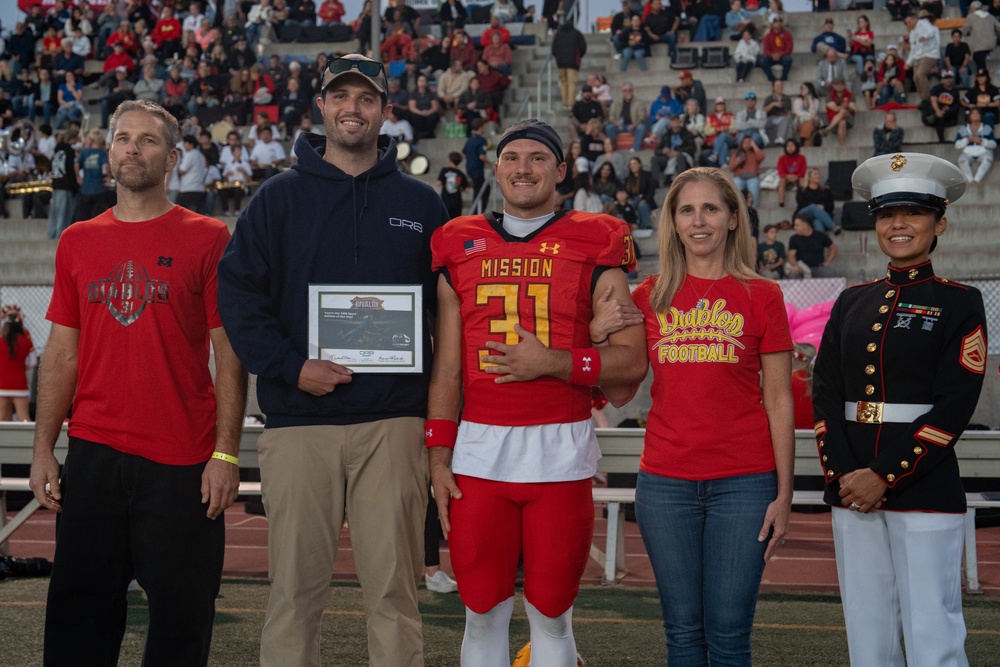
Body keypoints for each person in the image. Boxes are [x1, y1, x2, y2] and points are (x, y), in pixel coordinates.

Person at [216, 54, 450, 667]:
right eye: (341, 96)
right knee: (293, 596)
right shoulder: (276, 199)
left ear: (386, 111)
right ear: (321, 106)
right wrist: (292, 367)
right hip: (299, 424)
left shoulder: (422, 203)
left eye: (366, 98)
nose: (353, 108)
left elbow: (452, 314)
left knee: (395, 595)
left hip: (394, 425)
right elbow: (237, 300)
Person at [28, 99, 247, 666]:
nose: (132, 149)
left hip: (182, 458)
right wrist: (43, 448)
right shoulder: (77, 239)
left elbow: (229, 352)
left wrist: (226, 453)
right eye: (123, 138)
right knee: (79, 617)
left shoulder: (208, 236)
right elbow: (62, 354)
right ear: (108, 152)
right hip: (94, 454)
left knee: (181, 619)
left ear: (172, 158)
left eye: (148, 140)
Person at [427, 118, 647, 667]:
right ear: (495, 167)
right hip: (478, 453)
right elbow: (447, 369)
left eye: (538, 158)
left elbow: (631, 364)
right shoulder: (457, 240)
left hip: (561, 452)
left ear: (561, 170)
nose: (523, 168)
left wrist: (553, 361)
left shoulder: (598, 238)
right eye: (512, 158)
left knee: (551, 613)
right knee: (482, 611)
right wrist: (437, 453)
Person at [812, 152, 987, 667]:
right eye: (887, 214)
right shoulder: (851, 301)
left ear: (940, 224)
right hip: (852, 487)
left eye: (914, 213)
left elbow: (954, 406)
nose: (898, 224)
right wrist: (846, 476)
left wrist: (884, 475)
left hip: (922, 484)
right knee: (868, 635)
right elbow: (825, 393)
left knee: (932, 631)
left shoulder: (960, 302)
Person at [626, 167, 792, 665]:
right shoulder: (647, 296)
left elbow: (779, 399)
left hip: (745, 484)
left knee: (729, 635)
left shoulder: (763, 295)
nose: (698, 221)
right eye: (687, 210)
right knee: (682, 632)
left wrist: (785, 494)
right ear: (673, 223)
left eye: (711, 209)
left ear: (733, 219)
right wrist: (597, 331)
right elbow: (617, 390)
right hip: (665, 484)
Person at [0, 304, 36, 422]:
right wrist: (20, 367)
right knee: (23, 418)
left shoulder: (0, 339)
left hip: (2, 383)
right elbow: (33, 361)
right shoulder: (26, 338)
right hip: (19, 383)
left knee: (2, 419)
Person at [904, 11, 941, 101]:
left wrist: (925, 36)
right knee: (915, 78)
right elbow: (913, 49)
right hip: (918, 56)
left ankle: (926, 96)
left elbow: (931, 32)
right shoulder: (912, 33)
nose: (908, 24)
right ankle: (923, 97)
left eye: (909, 22)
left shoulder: (924, 23)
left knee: (921, 73)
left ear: (914, 19)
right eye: (907, 23)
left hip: (929, 54)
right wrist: (908, 62)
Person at [786, 213, 837, 278]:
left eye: (797, 225)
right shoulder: (794, 239)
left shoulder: (820, 236)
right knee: (793, 275)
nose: (795, 228)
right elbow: (791, 256)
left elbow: (833, 248)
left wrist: (828, 261)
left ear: (805, 225)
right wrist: (795, 265)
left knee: (830, 273)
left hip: (818, 267)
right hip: (802, 268)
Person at [551, 19, 587, 109]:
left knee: (563, 83)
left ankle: (565, 103)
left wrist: (558, 57)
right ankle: (570, 103)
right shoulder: (577, 33)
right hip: (573, 62)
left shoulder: (558, 34)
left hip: (560, 63)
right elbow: (583, 47)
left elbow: (554, 49)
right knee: (572, 83)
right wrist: (579, 56)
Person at [955, 107, 997, 183]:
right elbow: (957, 145)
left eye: (977, 113)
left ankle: (977, 180)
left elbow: (994, 144)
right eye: (973, 114)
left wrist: (981, 141)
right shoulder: (963, 128)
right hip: (967, 152)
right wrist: (967, 139)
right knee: (962, 160)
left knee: (988, 159)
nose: (975, 115)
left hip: (984, 151)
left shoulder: (986, 128)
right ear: (969, 116)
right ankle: (970, 180)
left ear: (980, 116)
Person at [605, 82, 648, 151]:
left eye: (630, 90)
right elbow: (611, 116)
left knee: (641, 128)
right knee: (609, 128)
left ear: (633, 91)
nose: (628, 92)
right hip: (620, 126)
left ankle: (635, 147)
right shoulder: (616, 102)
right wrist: (615, 122)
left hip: (633, 126)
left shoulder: (639, 102)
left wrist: (634, 125)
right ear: (622, 92)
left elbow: (642, 116)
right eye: (625, 90)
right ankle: (613, 147)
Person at [922, 69, 962, 143]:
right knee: (935, 110)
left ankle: (934, 117)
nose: (948, 80)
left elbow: (955, 104)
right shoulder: (936, 88)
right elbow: (933, 100)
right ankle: (941, 139)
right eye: (945, 78)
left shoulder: (955, 91)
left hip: (947, 112)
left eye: (950, 78)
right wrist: (938, 111)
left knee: (955, 108)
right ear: (942, 80)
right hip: (937, 111)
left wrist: (948, 108)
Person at [729, 134, 765, 205]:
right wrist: (738, 161)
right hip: (739, 177)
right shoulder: (737, 154)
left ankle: (753, 209)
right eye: (745, 143)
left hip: (752, 177)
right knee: (736, 186)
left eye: (749, 142)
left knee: (753, 185)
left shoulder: (754, 153)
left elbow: (761, 157)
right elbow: (731, 168)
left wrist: (754, 145)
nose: (746, 144)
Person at [757, 17, 793, 82]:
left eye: (780, 21)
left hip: (782, 56)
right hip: (771, 57)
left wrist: (780, 54)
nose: (778, 23)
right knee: (762, 61)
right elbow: (766, 50)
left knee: (788, 59)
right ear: (772, 24)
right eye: (776, 21)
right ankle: (772, 78)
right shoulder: (768, 36)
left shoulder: (787, 34)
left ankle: (784, 77)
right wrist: (772, 55)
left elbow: (789, 49)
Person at [437, 150, 469, 219]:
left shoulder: (444, 170)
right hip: (457, 202)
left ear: (450, 160)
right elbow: (466, 189)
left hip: (445, 201)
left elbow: (438, 183)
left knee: (445, 220)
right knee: (455, 221)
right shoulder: (461, 174)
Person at [776, 138, 805, 207]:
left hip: (797, 178)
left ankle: (802, 202)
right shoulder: (782, 158)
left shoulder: (802, 158)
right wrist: (787, 176)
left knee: (802, 180)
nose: (790, 148)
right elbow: (780, 171)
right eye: (788, 146)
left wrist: (797, 176)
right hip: (786, 178)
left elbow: (803, 170)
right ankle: (781, 203)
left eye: (792, 145)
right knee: (782, 181)